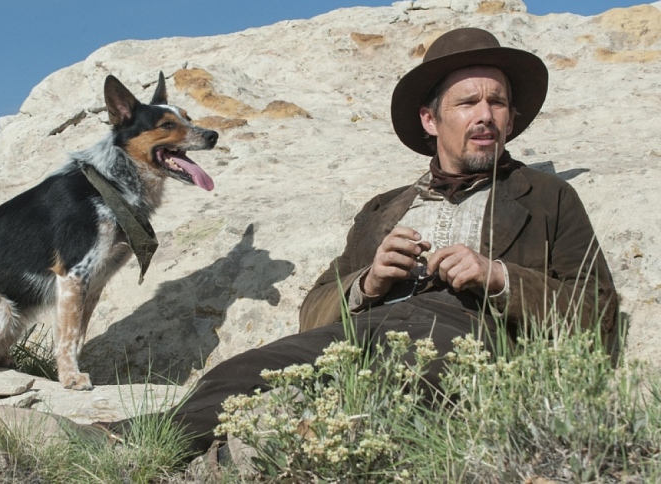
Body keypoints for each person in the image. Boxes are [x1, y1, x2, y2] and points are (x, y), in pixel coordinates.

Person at [102, 27, 620, 455]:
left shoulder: (547, 196)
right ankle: (129, 446)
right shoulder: (383, 209)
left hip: (467, 338)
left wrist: (498, 277)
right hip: (363, 331)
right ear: (430, 119)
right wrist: (368, 280)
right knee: (244, 371)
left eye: (497, 102)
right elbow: (314, 310)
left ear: (510, 117)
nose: (485, 114)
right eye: (467, 102)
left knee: (368, 384)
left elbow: (597, 311)